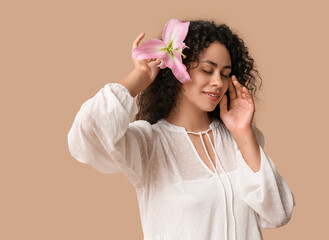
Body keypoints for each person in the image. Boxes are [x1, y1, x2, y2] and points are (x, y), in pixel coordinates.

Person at [67, 18, 295, 240]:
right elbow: (88, 131)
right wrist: (140, 77)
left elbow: (278, 214)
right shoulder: (148, 143)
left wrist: (243, 133)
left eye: (225, 74)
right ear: (177, 71)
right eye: (207, 70)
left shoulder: (241, 139)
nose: (218, 82)